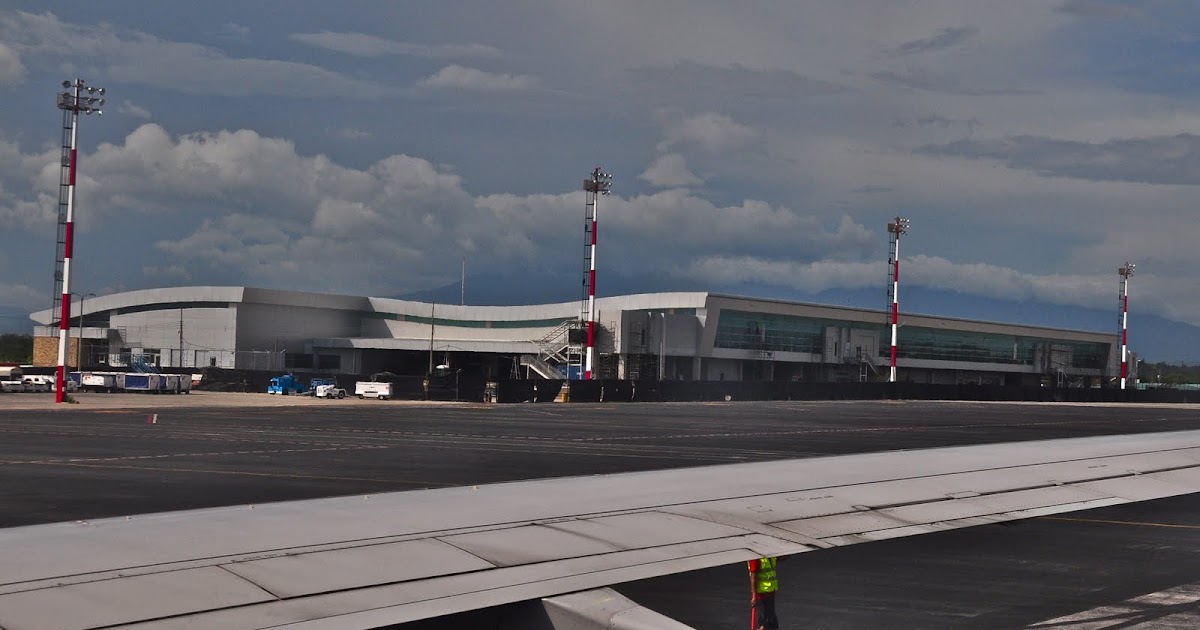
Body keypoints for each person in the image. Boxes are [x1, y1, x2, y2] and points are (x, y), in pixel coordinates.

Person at [748, 556, 779, 630]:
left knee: (771, 621)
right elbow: (753, 577)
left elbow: (780, 559)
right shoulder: (755, 558)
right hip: (761, 594)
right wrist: (754, 596)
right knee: (764, 622)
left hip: (770, 592)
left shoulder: (769, 555)